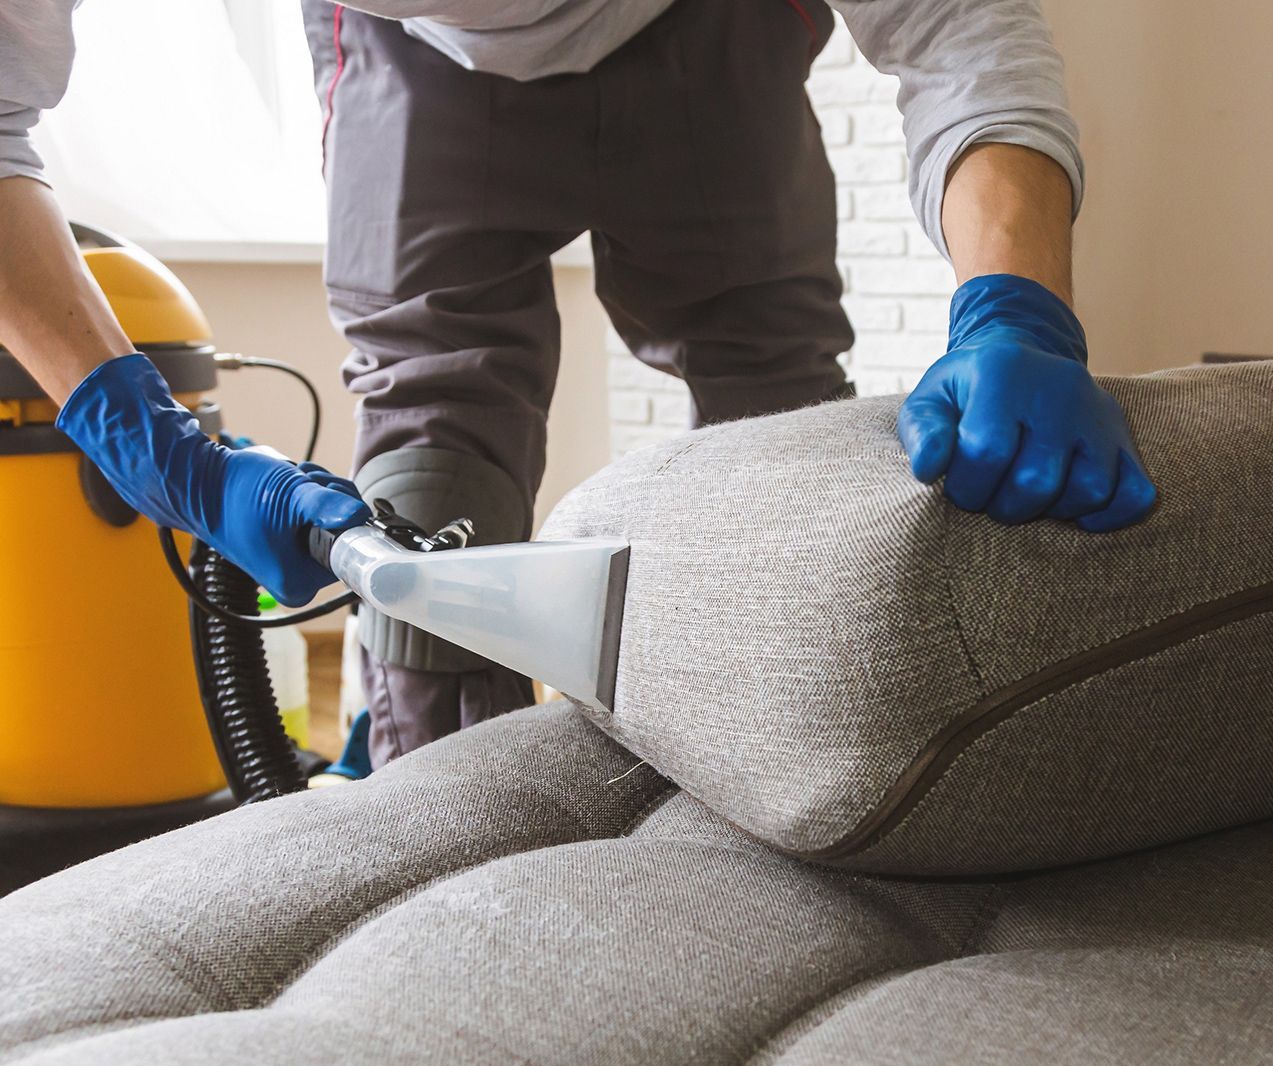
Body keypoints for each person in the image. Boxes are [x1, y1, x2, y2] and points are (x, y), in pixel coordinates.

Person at [0, 0, 1156, 769]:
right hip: (416, 55)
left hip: (710, 24)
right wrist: (149, 441)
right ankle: (439, 813)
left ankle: (796, 776)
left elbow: (958, 28)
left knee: (778, 426)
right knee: (430, 480)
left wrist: (1015, 306)